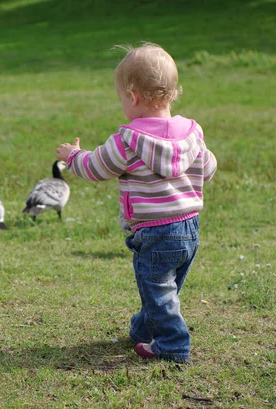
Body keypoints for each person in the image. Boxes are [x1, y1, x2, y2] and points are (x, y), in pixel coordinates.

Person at [56, 43, 217, 362]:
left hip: (155, 233)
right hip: (189, 229)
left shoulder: (128, 141)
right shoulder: (192, 134)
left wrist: (73, 156)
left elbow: (96, 167)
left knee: (157, 290)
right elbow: (209, 168)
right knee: (162, 290)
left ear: (132, 96)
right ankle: (143, 331)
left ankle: (173, 345)